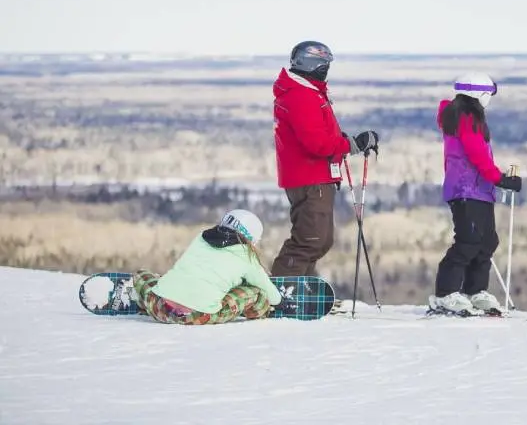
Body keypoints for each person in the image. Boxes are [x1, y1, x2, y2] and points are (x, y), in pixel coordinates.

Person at [271, 40, 379, 277]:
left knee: (318, 239)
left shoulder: (306, 92)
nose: (326, 69)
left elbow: (319, 134)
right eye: (323, 64)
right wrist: (352, 144)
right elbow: (316, 144)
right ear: (312, 65)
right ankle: (282, 291)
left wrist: (342, 141)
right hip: (311, 177)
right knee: (311, 240)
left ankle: (299, 290)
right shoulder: (301, 95)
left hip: (313, 176)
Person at [430, 72, 522, 313]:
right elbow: (477, 156)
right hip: (466, 189)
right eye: (488, 94)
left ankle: (474, 290)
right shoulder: (466, 119)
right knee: (468, 241)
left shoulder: (465, 116)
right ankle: (445, 293)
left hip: (478, 190)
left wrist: (496, 180)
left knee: (487, 241)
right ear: (479, 94)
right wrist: (500, 178)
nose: (489, 99)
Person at [131, 209, 287, 325]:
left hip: (159, 307)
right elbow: (272, 294)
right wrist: (278, 302)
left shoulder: (202, 237)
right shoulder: (247, 256)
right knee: (255, 292)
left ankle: (138, 298)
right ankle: (261, 313)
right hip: (197, 315)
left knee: (141, 274)